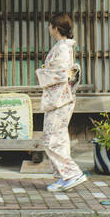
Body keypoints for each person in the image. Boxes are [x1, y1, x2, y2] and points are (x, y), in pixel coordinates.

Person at [36, 12, 86, 192]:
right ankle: (61, 176)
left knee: (51, 139)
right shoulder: (63, 47)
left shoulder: (63, 48)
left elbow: (62, 73)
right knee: (60, 139)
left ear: (55, 27)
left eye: (50, 25)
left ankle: (72, 173)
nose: (48, 28)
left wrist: (42, 73)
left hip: (60, 99)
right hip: (59, 98)